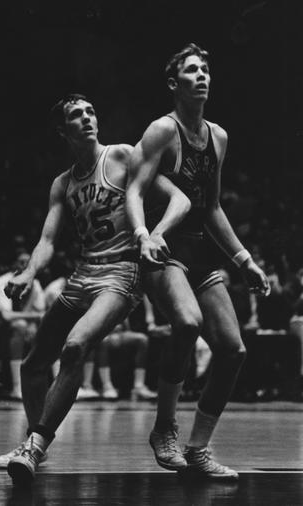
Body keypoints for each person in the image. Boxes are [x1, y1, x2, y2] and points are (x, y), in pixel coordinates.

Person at [0, 93, 190, 485]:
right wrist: (28, 273)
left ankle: (33, 447)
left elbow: (180, 198)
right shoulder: (63, 184)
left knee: (74, 346)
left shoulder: (121, 155)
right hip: (82, 274)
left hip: (121, 275)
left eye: (90, 111)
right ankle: (36, 442)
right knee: (34, 365)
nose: (87, 118)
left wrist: (155, 234)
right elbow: (48, 241)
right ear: (62, 131)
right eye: (76, 115)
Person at [126, 43, 270, 480]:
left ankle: (198, 448)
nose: (203, 76)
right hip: (162, 248)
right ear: (175, 84)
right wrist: (142, 236)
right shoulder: (161, 131)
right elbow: (133, 190)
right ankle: (164, 426)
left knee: (232, 349)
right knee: (187, 324)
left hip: (201, 253)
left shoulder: (218, 137)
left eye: (206, 70)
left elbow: (211, 208)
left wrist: (244, 259)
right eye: (193, 70)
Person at [0, 250, 46, 399]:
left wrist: (33, 325)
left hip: (23, 325)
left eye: (28, 262)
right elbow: (6, 315)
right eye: (21, 262)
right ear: (14, 264)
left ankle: (53, 386)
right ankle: (16, 387)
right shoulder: (3, 282)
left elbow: (41, 312)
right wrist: (32, 319)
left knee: (48, 329)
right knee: (20, 326)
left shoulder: (36, 284)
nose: (25, 265)